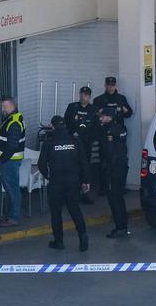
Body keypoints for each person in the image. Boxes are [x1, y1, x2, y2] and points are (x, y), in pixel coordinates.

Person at [38, 115, 91, 252]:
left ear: (52, 126)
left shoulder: (49, 143)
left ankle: (59, 241)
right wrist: (85, 181)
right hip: (73, 181)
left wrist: (48, 176)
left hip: (56, 182)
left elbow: (41, 164)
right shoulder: (75, 141)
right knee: (75, 210)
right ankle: (83, 236)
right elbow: (84, 162)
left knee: (56, 212)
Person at [98, 107, 131, 238]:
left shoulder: (109, 131)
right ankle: (123, 225)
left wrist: (108, 170)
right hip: (122, 166)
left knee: (114, 199)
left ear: (109, 117)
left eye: (103, 116)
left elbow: (110, 153)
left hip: (114, 169)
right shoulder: (121, 128)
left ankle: (120, 227)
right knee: (119, 198)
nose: (101, 118)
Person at [0, 97, 26, 227]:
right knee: (12, 188)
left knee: (12, 188)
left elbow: (12, 145)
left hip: (10, 161)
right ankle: (12, 215)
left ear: (12, 106)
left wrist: (3, 158)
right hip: (10, 160)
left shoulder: (14, 122)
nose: (2, 109)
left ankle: (13, 217)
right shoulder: (12, 119)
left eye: (4, 107)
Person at [64, 86, 99, 204]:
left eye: (86, 95)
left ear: (89, 97)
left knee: (85, 168)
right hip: (73, 142)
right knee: (72, 167)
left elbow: (96, 127)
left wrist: (89, 137)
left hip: (86, 143)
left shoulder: (93, 109)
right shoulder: (72, 107)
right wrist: (72, 133)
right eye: (82, 94)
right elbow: (66, 123)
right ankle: (72, 193)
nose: (83, 97)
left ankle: (85, 193)